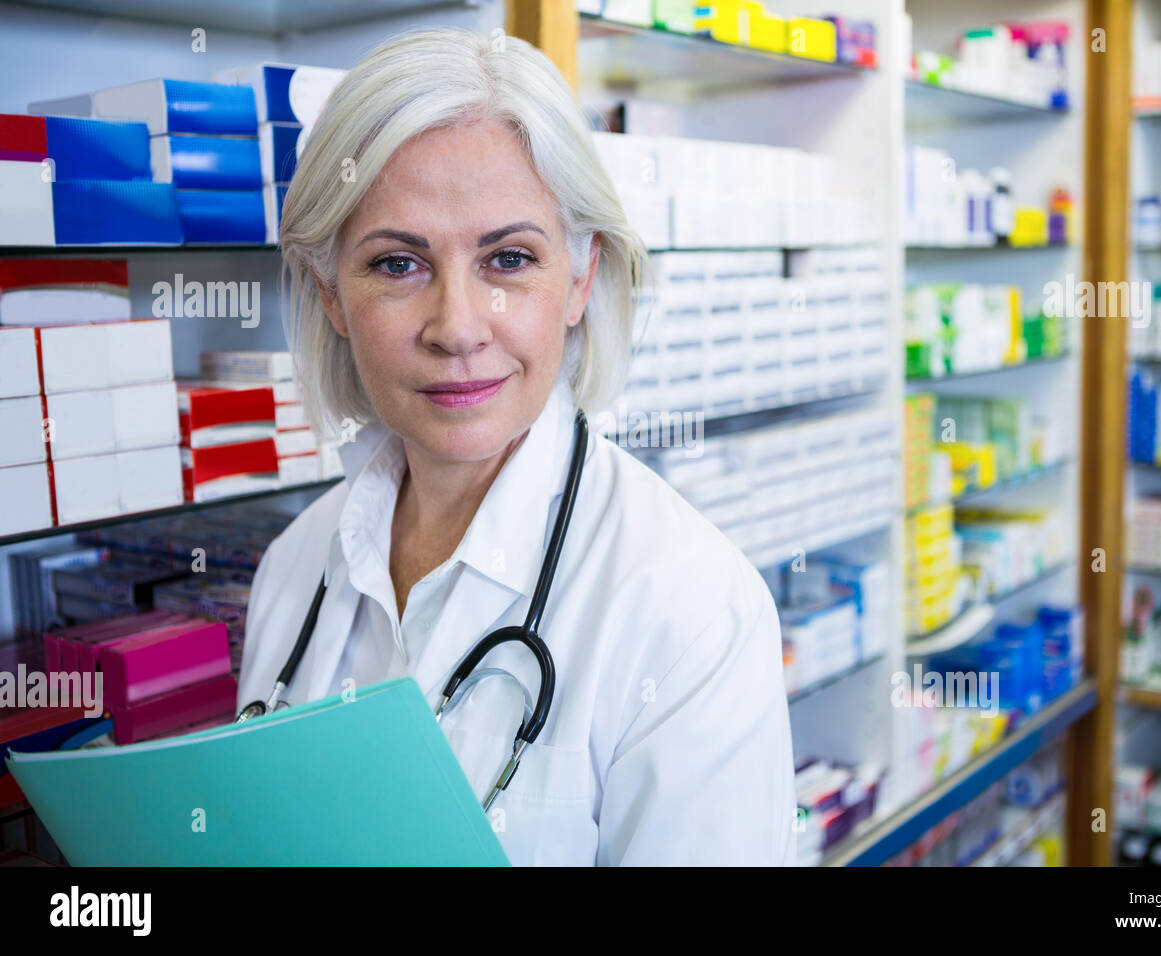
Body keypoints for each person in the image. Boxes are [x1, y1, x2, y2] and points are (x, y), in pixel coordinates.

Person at [238, 27, 796, 866]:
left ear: (579, 280)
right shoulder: (293, 567)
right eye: (397, 265)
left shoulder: (691, 613)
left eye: (508, 258)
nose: (458, 327)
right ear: (329, 295)